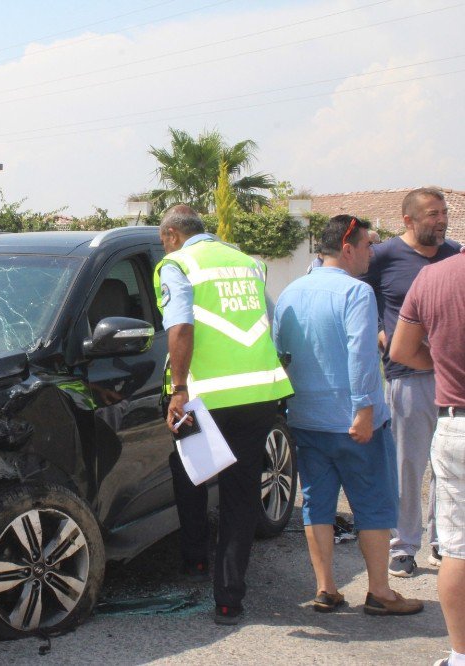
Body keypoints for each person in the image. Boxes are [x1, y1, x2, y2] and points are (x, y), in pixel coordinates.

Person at [274, 215, 424, 617]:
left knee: (317, 504)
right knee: (373, 504)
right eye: (367, 246)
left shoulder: (290, 292)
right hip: (354, 420)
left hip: (305, 416)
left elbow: (280, 353)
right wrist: (363, 408)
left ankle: (326, 588)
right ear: (347, 247)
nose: (371, 254)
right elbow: (361, 353)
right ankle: (380, 592)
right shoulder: (356, 293)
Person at [154, 205, 293, 625]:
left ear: (173, 235)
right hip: (257, 394)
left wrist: (179, 390)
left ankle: (195, 559)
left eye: (164, 240)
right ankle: (229, 600)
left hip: (205, 397)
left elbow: (179, 326)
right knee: (239, 494)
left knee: (191, 471)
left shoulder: (176, 264)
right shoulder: (248, 262)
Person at [362, 187, 462, 577]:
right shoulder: (384, 256)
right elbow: (361, 294)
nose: (440, 221)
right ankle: (403, 545)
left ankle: (444, 540)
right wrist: (378, 330)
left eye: (443, 213)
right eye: (432, 215)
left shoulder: (453, 254)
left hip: (452, 376)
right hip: (408, 375)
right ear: (408, 220)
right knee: (409, 463)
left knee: (448, 464)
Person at [390, 250, 465, 666]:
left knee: (457, 548)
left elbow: (401, 349)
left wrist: (444, 367)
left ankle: (460, 654)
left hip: (455, 421)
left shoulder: (433, 278)